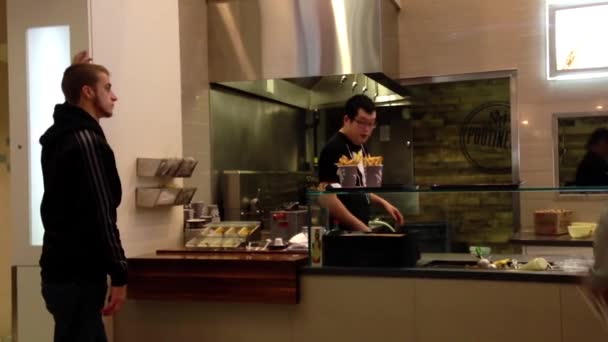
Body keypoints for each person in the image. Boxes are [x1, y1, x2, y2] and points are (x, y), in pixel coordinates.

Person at [39, 51, 126, 342]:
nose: (114, 96)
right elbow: (101, 213)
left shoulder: (62, 134)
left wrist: (75, 72)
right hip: (79, 275)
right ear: (88, 92)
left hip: (59, 272)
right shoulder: (86, 140)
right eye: (107, 87)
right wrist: (120, 273)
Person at [317, 95, 404, 232]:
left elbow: (359, 188)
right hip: (342, 234)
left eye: (371, 123)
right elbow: (326, 199)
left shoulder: (362, 146)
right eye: (362, 122)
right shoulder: (333, 148)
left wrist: (384, 203)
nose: (367, 129)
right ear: (347, 120)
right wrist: (364, 229)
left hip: (359, 231)